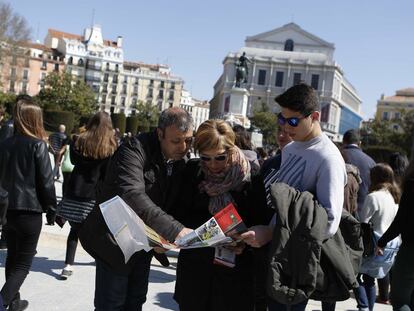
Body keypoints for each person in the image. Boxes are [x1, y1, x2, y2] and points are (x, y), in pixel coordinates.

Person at [240, 83, 348, 311]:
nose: (286, 128)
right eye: (282, 119)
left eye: (293, 121)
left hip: (294, 264)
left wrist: (271, 232)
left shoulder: (328, 159)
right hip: (272, 253)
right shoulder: (292, 147)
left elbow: (328, 222)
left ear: (315, 116)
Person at [79, 107, 194, 311]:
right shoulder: (134, 148)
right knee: (112, 304)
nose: (184, 147)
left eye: (188, 141)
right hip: (113, 242)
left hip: (144, 245)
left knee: (135, 301)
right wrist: (174, 230)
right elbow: (132, 194)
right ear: (160, 134)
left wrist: (163, 238)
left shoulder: (180, 161)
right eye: (176, 141)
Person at [171, 120, 273, 311]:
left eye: (219, 158)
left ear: (231, 150)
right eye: (205, 157)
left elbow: (261, 221)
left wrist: (244, 242)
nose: (212, 165)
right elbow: (178, 214)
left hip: (235, 275)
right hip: (196, 273)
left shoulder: (249, 176)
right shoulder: (193, 172)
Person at [0, 96, 56, 311]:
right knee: (23, 264)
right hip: (30, 212)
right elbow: (46, 183)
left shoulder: (4, 144)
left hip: (7, 211)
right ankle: (4, 300)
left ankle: (14, 302)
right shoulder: (38, 145)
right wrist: (52, 210)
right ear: (35, 119)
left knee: (12, 259)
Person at [57, 112, 118, 279]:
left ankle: (68, 265)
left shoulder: (79, 140)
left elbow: (75, 162)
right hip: (93, 196)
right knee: (97, 232)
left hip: (75, 192)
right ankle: (101, 261)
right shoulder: (110, 146)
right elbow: (107, 175)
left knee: (74, 231)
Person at [357, 163, 400, 310]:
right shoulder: (395, 198)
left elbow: (363, 222)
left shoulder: (373, 197)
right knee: (370, 279)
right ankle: (368, 307)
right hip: (390, 246)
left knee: (355, 277)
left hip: (373, 245)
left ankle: (364, 306)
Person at [377, 158, 414, 311]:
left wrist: (382, 241)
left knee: (400, 299)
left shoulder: (412, 185)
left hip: (410, 251)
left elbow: (400, 221)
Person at [342, 129, 376, 214]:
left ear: (343, 141)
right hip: (361, 212)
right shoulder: (371, 162)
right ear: (359, 143)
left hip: (339, 210)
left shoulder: (337, 156)